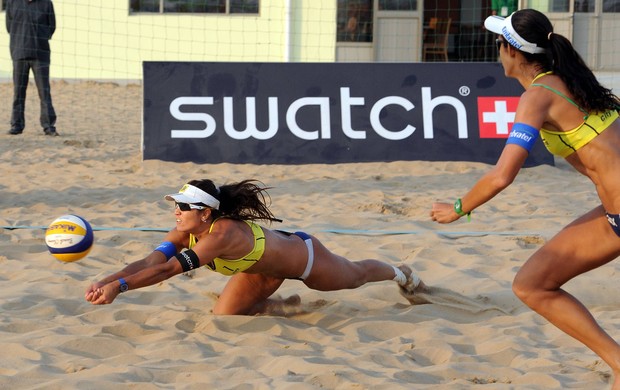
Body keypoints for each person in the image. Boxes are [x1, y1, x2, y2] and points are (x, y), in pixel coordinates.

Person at [430, 9, 620, 388]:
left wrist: (457, 208)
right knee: (532, 283)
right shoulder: (572, 81)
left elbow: (502, 175)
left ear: (513, 52)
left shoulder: (540, 95)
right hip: (614, 215)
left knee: (532, 286)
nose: (497, 50)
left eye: (499, 42)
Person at [85, 179, 426, 315]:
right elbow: (148, 261)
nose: (175, 211)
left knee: (356, 276)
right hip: (261, 272)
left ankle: (402, 273)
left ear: (205, 213)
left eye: (182, 206)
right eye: (175, 204)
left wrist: (121, 288)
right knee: (225, 316)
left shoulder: (220, 236)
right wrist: (108, 280)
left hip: (304, 259)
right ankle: (279, 304)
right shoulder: (183, 233)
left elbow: (165, 271)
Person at [6, 0, 58, 136]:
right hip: (19, 53)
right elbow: (9, 27)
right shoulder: (12, 2)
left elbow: (51, 26)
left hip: (40, 54)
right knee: (18, 92)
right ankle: (16, 125)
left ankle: (48, 126)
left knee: (44, 92)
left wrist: (39, 38)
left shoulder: (46, 3)